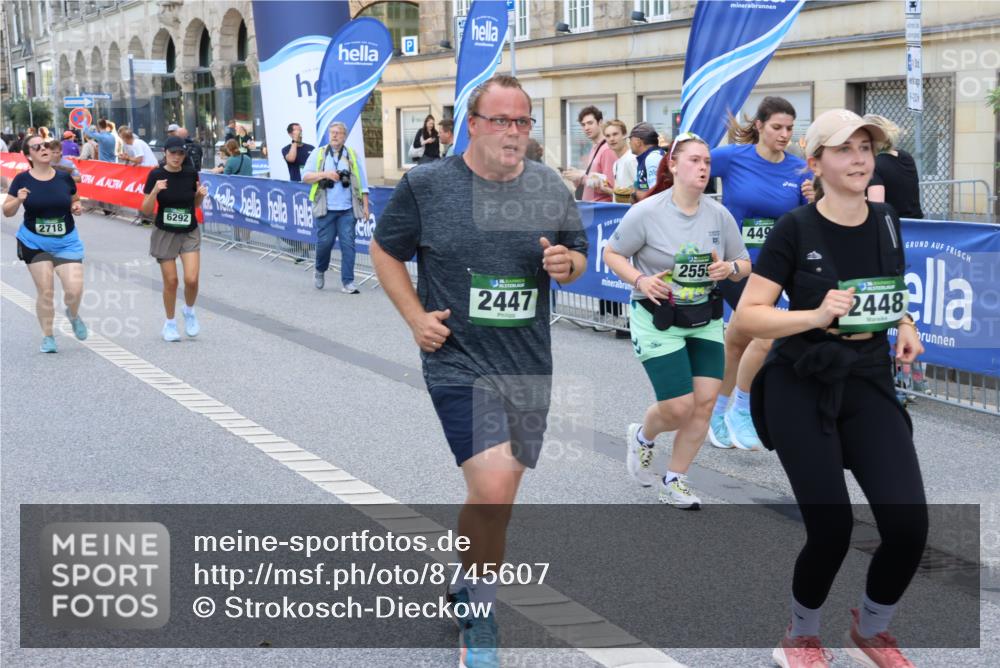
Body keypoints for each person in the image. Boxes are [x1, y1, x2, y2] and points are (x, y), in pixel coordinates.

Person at [371, 74, 588, 668]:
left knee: (499, 495)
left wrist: (567, 264)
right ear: (472, 124)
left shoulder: (549, 185)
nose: (513, 132)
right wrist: (415, 318)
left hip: (526, 363)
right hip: (457, 360)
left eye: (523, 121)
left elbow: (577, 258)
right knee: (492, 487)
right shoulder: (428, 184)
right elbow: (385, 250)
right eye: (501, 120)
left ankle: (468, 577)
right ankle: (483, 611)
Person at [735, 110, 926, 668]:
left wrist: (905, 326)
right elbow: (750, 318)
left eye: (866, 147)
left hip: (867, 380)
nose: (860, 157)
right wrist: (815, 315)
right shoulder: (794, 228)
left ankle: (871, 631)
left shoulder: (887, 218)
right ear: (815, 163)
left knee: (908, 524)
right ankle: (800, 636)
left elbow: (890, 293)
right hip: (801, 382)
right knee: (832, 527)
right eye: (844, 149)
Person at [604, 132, 750, 508]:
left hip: (704, 317)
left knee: (703, 403)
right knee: (678, 406)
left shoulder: (719, 214)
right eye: (694, 161)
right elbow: (612, 252)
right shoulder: (648, 211)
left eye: (706, 162)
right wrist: (639, 278)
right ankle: (643, 437)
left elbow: (743, 263)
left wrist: (728, 267)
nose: (703, 168)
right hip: (658, 318)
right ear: (672, 164)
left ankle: (676, 479)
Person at [706, 96, 812, 451]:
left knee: (737, 344)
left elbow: (805, 220)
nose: (784, 134)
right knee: (763, 337)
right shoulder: (734, 158)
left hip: (776, 269)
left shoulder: (799, 170)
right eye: (777, 127)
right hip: (736, 267)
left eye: (789, 128)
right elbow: (691, 164)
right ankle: (743, 409)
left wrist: (813, 199)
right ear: (759, 126)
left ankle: (715, 411)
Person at [3, 135, 88, 352]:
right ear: (28, 155)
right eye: (37, 146)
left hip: (66, 241)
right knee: (46, 290)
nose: (44, 148)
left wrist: (76, 207)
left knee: (74, 290)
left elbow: (74, 198)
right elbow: (7, 211)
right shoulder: (22, 180)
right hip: (34, 242)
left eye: (46, 145)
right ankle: (48, 336)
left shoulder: (64, 177)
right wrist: (19, 199)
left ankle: (73, 314)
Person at [141, 136, 208, 342]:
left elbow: (195, 205)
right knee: (171, 281)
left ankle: (188, 310)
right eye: (173, 153)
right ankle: (170, 323)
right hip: (165, 232)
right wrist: (155, 191)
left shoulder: (190, 173)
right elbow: (144, 211)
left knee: (192, 279)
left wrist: (200, 196)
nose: (176, 157)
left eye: (180, 153)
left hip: (188, 231)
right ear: (165, 153)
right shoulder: (156, 175)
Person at [303, 121, 370, 293]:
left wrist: (366, 206)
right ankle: (319, 270)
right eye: (332, 132)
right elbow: (306, 177)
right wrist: (325, 174)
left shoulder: (352, 155)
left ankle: (348, 282)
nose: (334, 135)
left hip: (347, 209)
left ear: (344, 136)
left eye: (338, 132)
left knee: (348, 244)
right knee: (325, 243)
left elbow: (362, 182)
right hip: (326, 209)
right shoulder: (319, 154)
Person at [863, 114, 924, 219]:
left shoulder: (875, 165)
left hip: (892, 229)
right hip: (917, 227)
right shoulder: (906, 156)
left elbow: (877, 210)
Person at [562, 105, 616, 202]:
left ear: (600, 122)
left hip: (601, 210)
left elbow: (609, 186)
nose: (586, 128)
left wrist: (581, 176)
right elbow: (592, 179)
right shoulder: (595, 148)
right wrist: (577, 176)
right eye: (583, 125)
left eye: (590, 123)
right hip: (591, 209)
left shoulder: (607, 149)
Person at [598, 120, 637, 204]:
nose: (611, 139)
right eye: (608, 136)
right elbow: (621, 195)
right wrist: (606, 190)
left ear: (624, 135)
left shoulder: (632, 159)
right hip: (621, 214)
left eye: (615, 134)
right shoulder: (616, 163)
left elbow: (643, 191)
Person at [629, 122, 665, 202]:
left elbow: (656, 193)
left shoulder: (653, 158)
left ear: (638, 142)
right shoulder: (647, 157)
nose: (629, 143)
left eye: (630, 139)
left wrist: (634, 194)